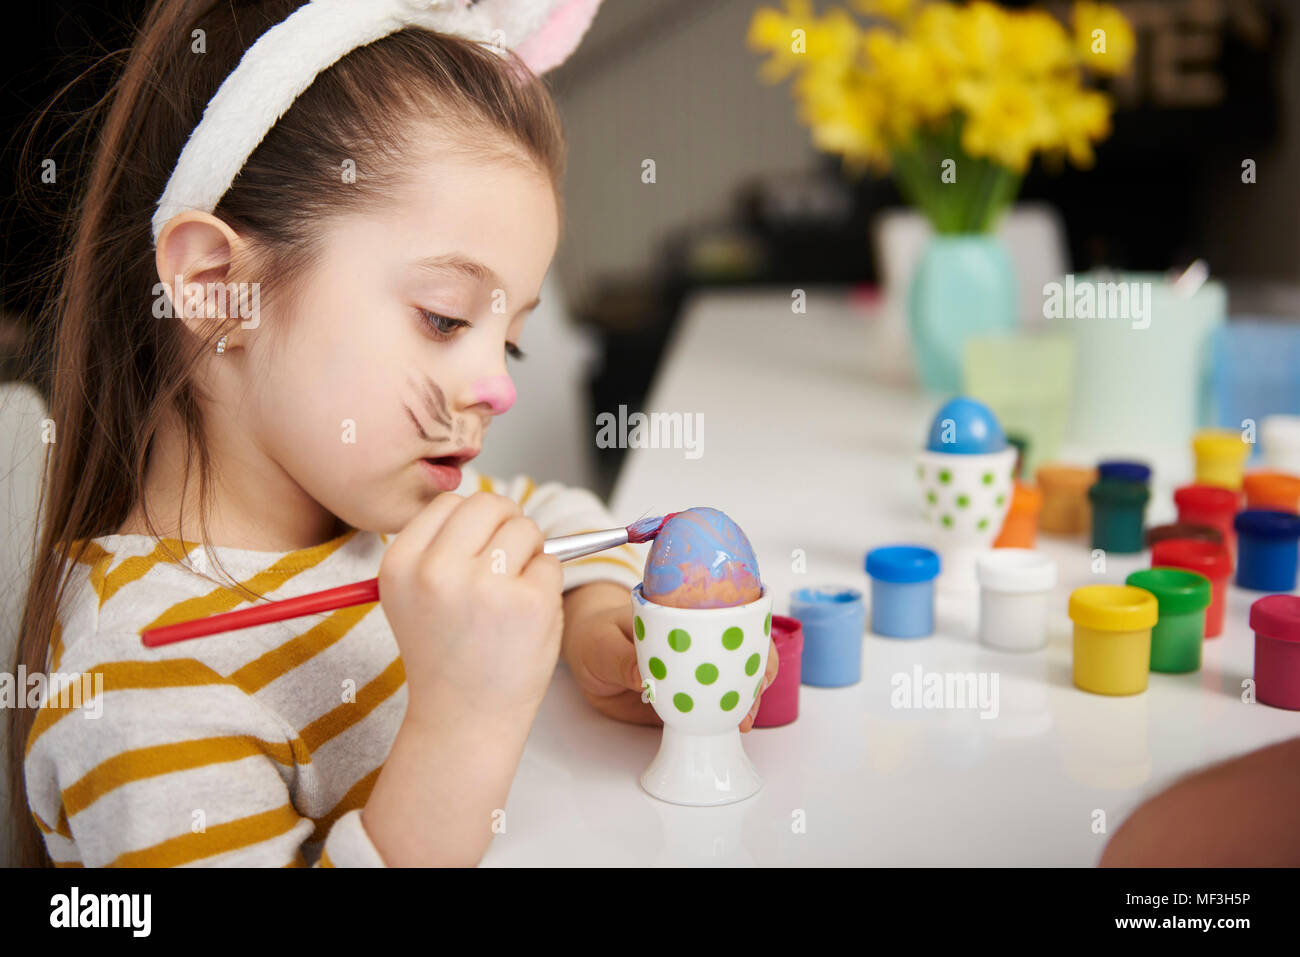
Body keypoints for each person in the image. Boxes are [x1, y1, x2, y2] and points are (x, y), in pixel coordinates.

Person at [6, 0, 778, 868]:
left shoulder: (378, 509)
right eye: (446, 318)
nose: (497, 388)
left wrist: (598, 626)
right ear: (221, 286)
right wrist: (463, 724)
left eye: (510, 339)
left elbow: (550, 521)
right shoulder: (143, 685)